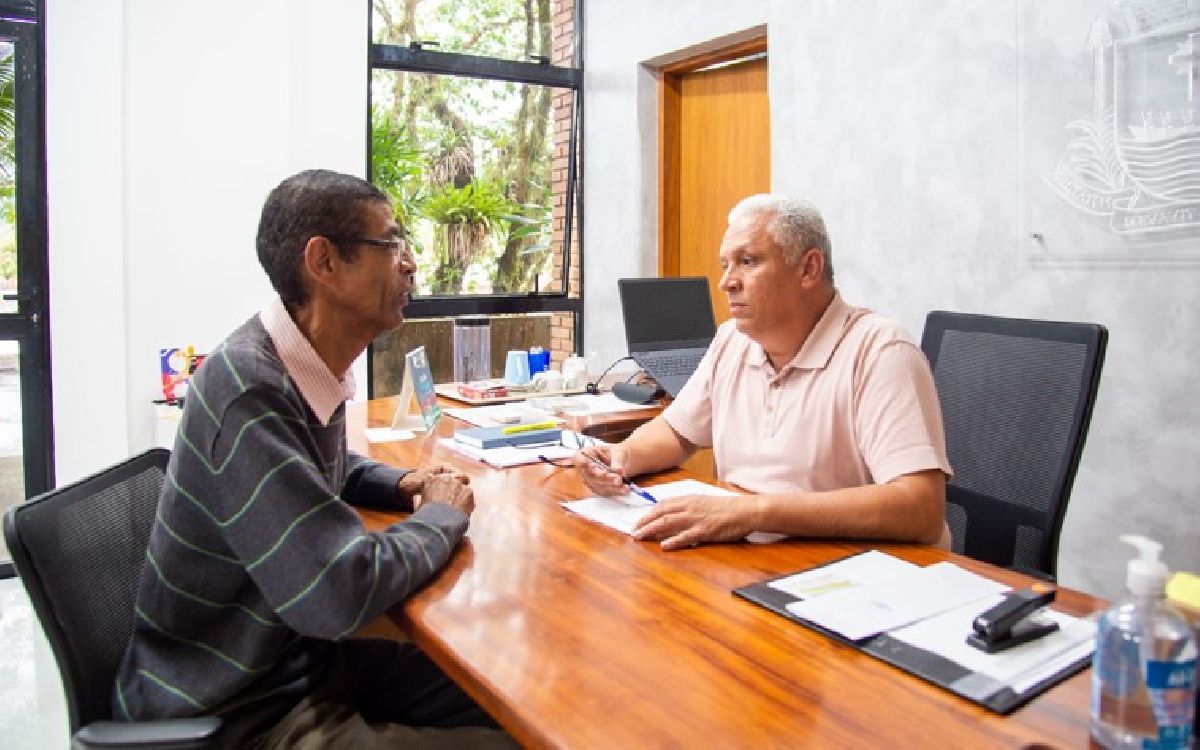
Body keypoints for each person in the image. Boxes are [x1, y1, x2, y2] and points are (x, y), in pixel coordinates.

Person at [113, 169, 515, 748]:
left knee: (507, 697)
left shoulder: (296, 363)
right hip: (238, 707)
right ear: (323, 262)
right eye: (391, 243)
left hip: (303, 664)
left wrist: (402, 484)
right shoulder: (248, 388)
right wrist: (441, 516)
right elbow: (337, 592)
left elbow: (322, 468)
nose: (409, 264)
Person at [575, 194, 951, 551]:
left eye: (748, 261)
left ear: (808, 268)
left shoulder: (879, 351)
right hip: (750, 561)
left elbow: (920, 507)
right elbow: (677, 430)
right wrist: (621, 456)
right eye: (725, 265)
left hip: (850, 576)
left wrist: (753, 514)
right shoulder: (731, 341)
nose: (726, 282)